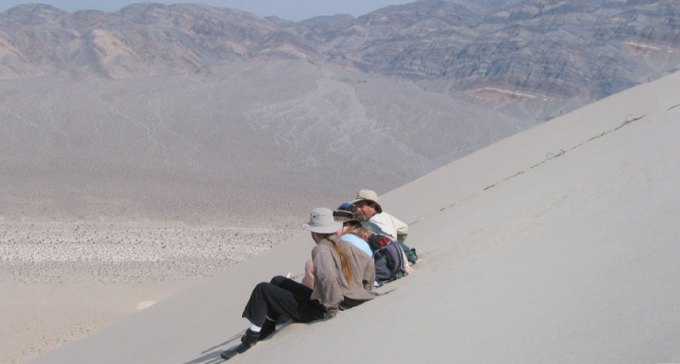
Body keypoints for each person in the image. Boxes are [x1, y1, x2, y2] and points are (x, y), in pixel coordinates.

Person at [222, 208, 376, 358]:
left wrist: (331, 308)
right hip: (347, 299)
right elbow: (369, 263)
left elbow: (328, 278)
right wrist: (364, 288)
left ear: (313, 233)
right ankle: (268, 328)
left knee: (262, 289)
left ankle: (250, 339)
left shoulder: (321, 250)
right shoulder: (345, 244)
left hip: (325, 307)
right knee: (278, 281)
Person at [302, 203, 373, 288]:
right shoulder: (357, 237)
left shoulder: (346, 240)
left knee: (310, 265)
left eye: (336, 226)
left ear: (346, 225)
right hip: (362, 281)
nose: (333, 230)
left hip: (353, 286)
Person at [353, 189, 418, 266]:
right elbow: (404, 228)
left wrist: (398, 247)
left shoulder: (372, 223)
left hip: (390, 261)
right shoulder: (385, 216)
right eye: (356, 206)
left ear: (372, 206)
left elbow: (389, 239)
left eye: (361, 206)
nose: (357, 209)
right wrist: (399, 242)